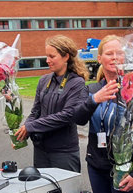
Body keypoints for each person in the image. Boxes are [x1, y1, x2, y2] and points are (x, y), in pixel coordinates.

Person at [75, 35, 133, 193]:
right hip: (97, 166)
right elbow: (78, 118)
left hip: (125, 168)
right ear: (99, 58)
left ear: (125, 58)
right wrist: (94, 100)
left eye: (119, 53)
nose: (115, 57)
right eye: (109, 53)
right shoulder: (91, 90)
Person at [15, 35, 89, 172]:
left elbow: (67, 116)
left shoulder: (77, 83)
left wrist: (31, 126)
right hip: (41, 150)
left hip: (63, 152)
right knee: (43, 191)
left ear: (66, 56)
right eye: (46, 56)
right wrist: (24, 129)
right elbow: (36, 111)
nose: (47, 60)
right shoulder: (44, 80)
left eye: (52, 56)